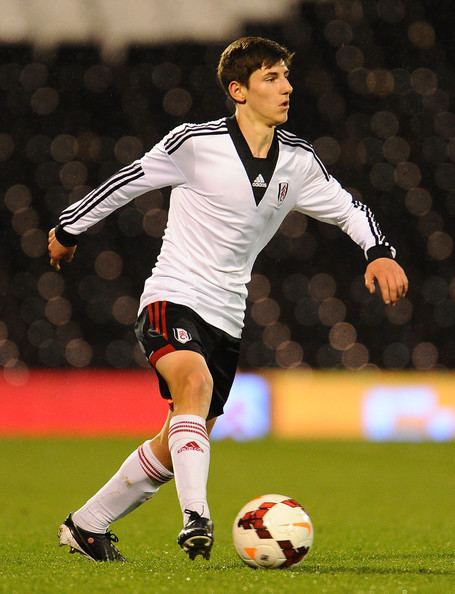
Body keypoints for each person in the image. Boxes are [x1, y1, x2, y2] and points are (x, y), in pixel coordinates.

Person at [48, 36, 408, 563]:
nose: (286, 88)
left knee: (180, 439)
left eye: (286, 77)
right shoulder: (194, 143)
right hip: (173, 294)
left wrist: (379, 252)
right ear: (238, 90)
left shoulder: (299, 162)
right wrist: (69, 227)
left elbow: (350, 207)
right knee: (192, 384)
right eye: (271, 78)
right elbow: (128, 182)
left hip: (227, 315)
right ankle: (197, 517)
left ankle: (86, 525)